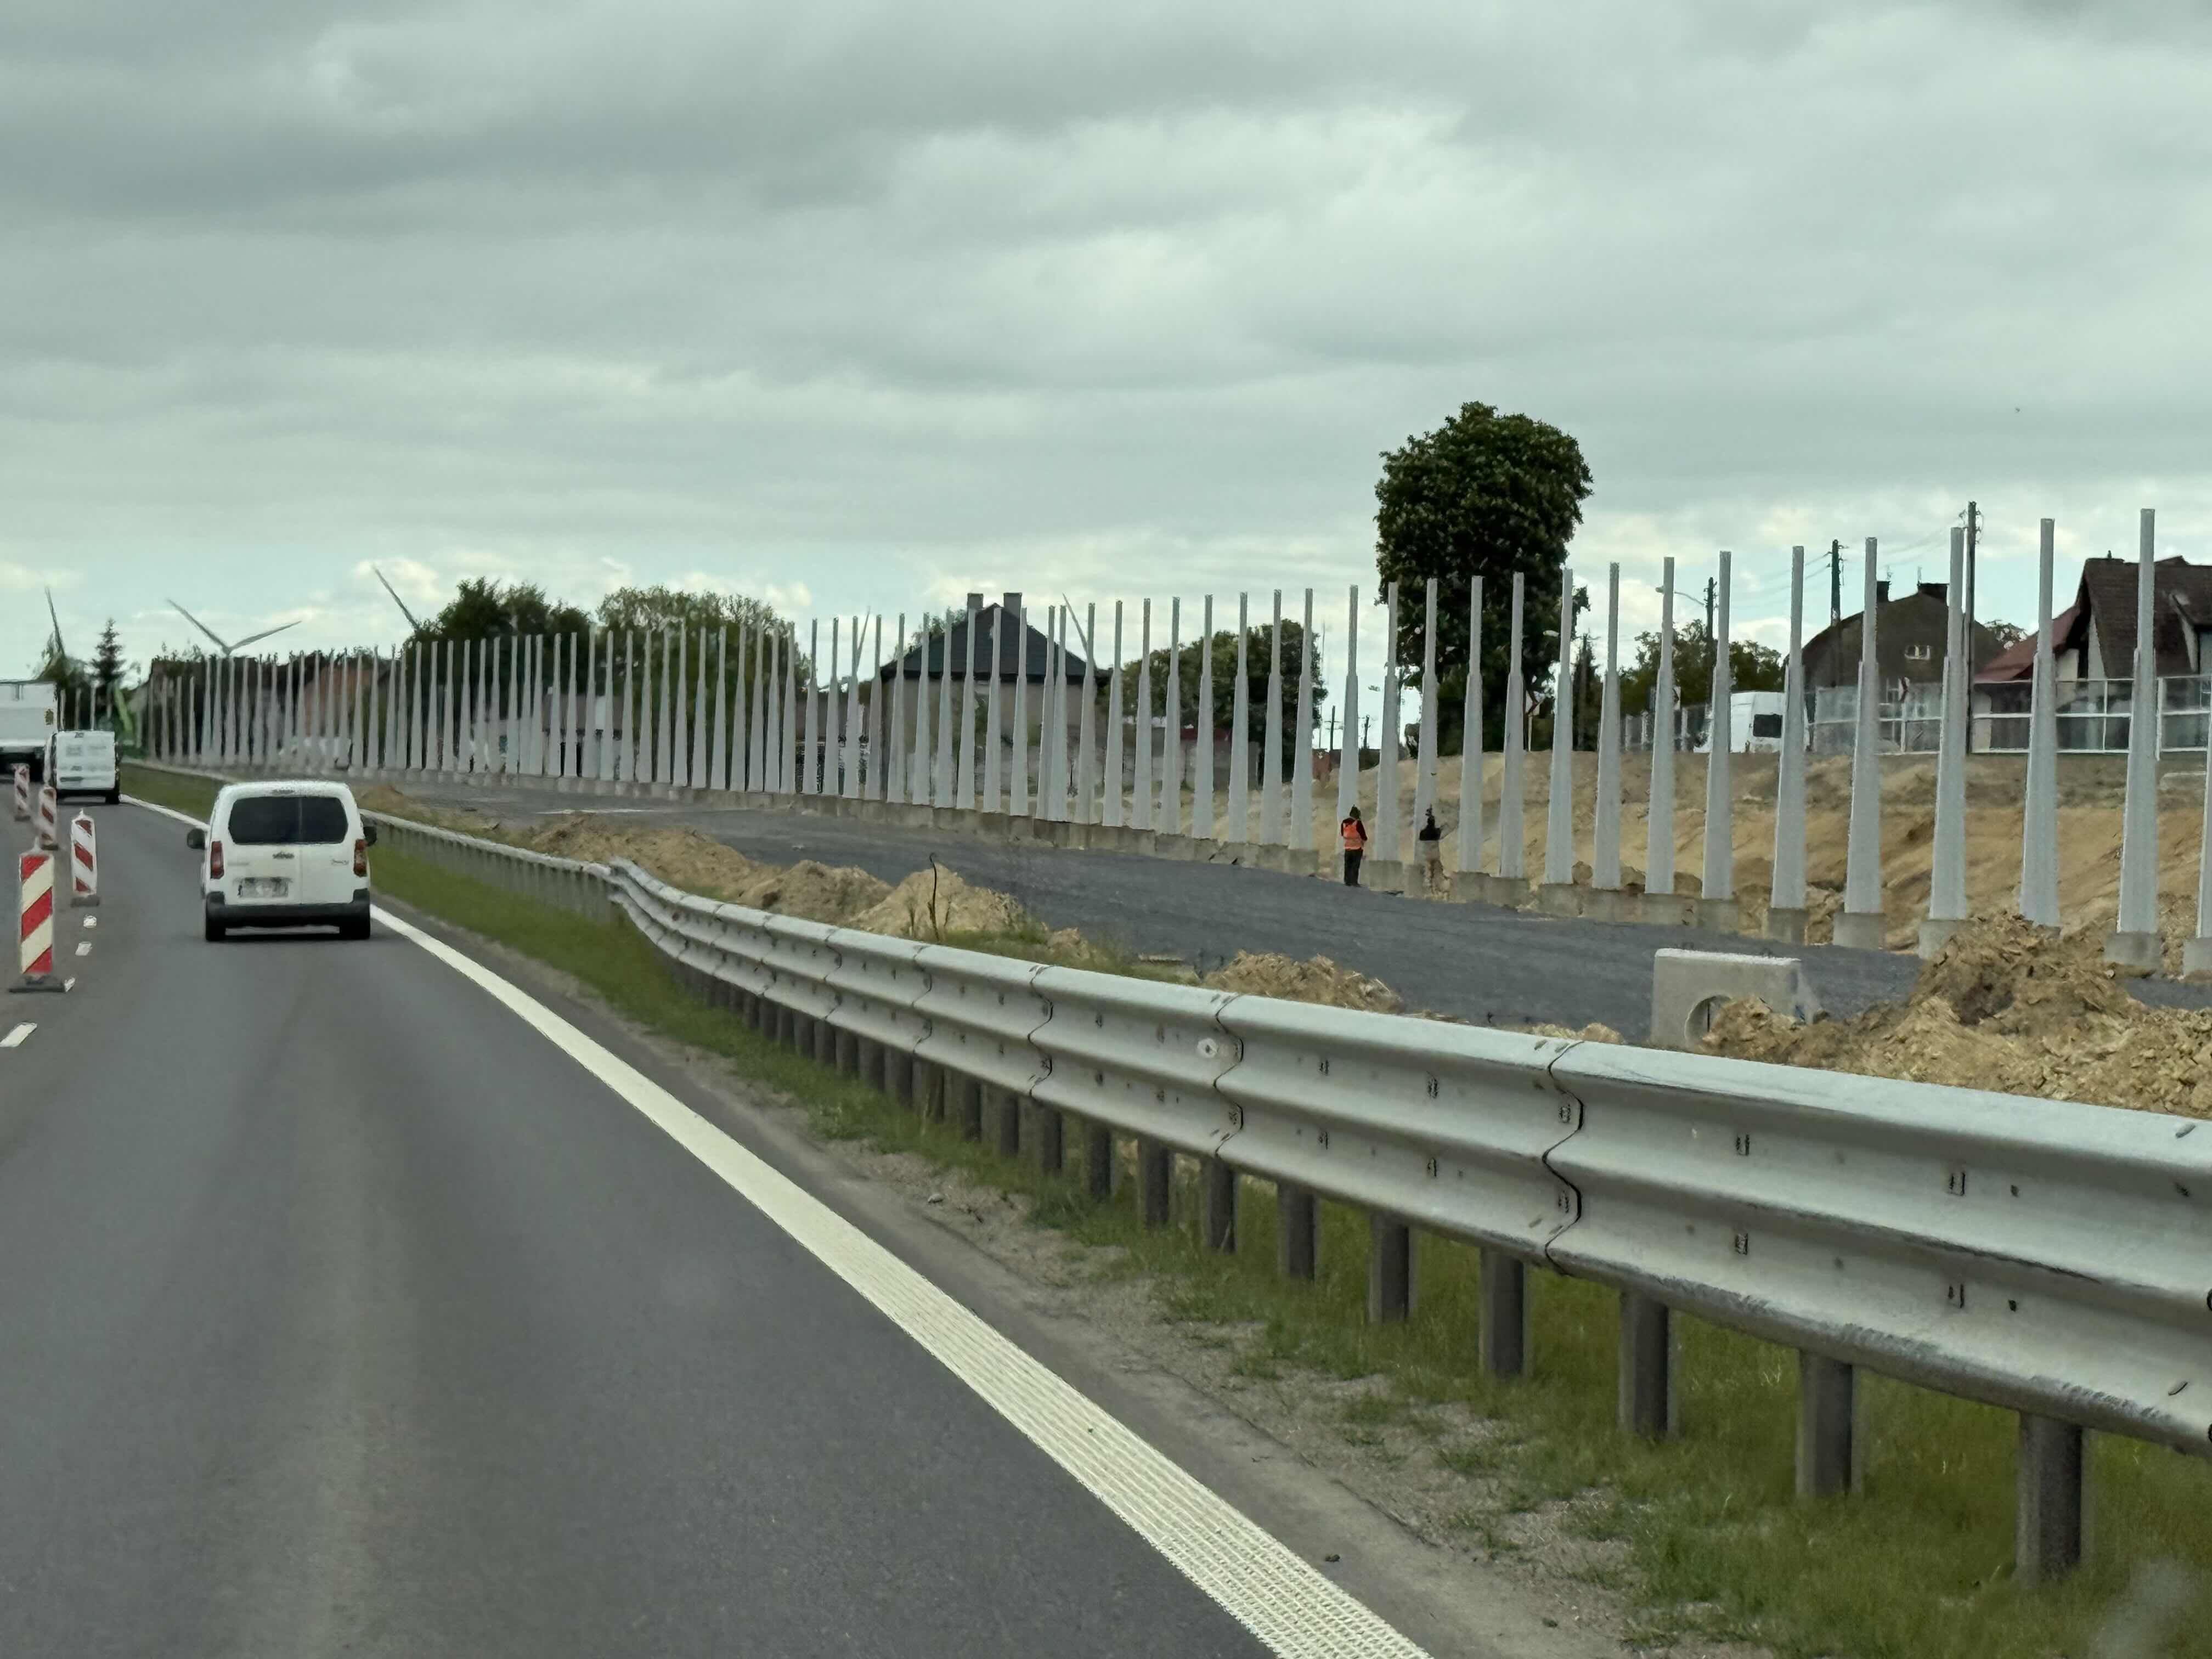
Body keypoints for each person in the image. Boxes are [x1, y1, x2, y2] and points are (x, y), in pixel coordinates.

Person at [1416, 807, 1444, 895]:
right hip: (1435, 855)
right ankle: (1436, 890)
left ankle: (1428, 889)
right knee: (1437, 872)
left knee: (1427, 873)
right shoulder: (1437, 832)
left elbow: (1421, 838)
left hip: (1426, 855)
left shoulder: (1423, 832)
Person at [1340, 805, 1369, 887]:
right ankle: (1354, 882)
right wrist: (1364, 840)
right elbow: (1364, 836)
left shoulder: (1344, 823)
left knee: (1347, 865)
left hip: (1347, 847)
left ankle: (1347, 881)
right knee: (1355, 865)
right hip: (1357, 848)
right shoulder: (1358, 823)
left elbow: (1342, 834)